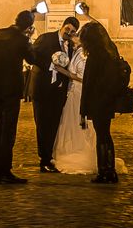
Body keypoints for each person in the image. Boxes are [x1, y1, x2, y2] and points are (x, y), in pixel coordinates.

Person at [0, 11, 36, 184]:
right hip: (11, 88)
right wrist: (28, 38)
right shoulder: (22, 40)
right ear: (28, 26)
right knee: (8, 131)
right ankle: (4, 171)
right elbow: (32, 59)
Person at [78, 21, 126, 183]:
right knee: (105, 135)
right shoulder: (110, 51)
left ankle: (105, 171)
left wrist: (83, 109)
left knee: (102, 136)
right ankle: (108, 170)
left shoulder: (96, 55)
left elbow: (88, 83)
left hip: (99, 101)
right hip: (107, 100)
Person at [31, 16, 79, 172]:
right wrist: (51, 65)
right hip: (42, 89)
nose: (69, 33)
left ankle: (49, 156)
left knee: (54, 125)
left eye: (72, 32)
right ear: (62, 26)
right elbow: (33, 57)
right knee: (43, 125)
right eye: (68, 29)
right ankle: (43, 159)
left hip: (59, 92)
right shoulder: (45, 38)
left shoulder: (70, 47)